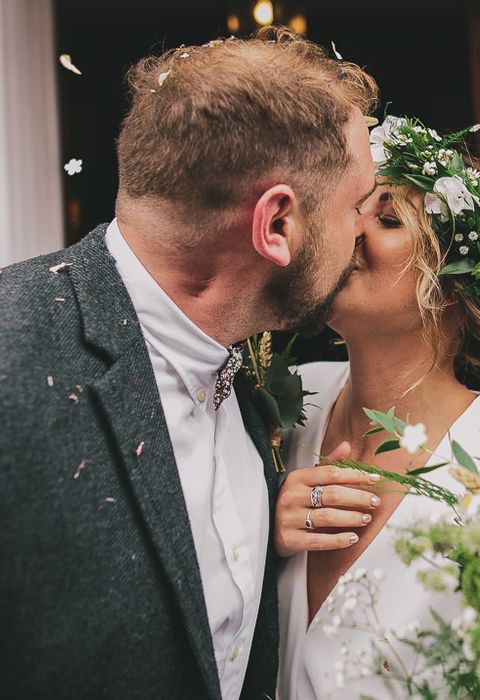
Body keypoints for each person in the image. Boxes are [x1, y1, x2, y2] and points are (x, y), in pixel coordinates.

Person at [0, 29, 378, 699]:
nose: (362, 232)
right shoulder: (13, 354)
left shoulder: (247, 384)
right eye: (355, 205)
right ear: (277, 226)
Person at [274, 117, 480, 699]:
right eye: (354, 208)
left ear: (453, 285)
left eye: (387, 219)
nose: (349, 230)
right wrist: (262, 533)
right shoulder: (285, 407)